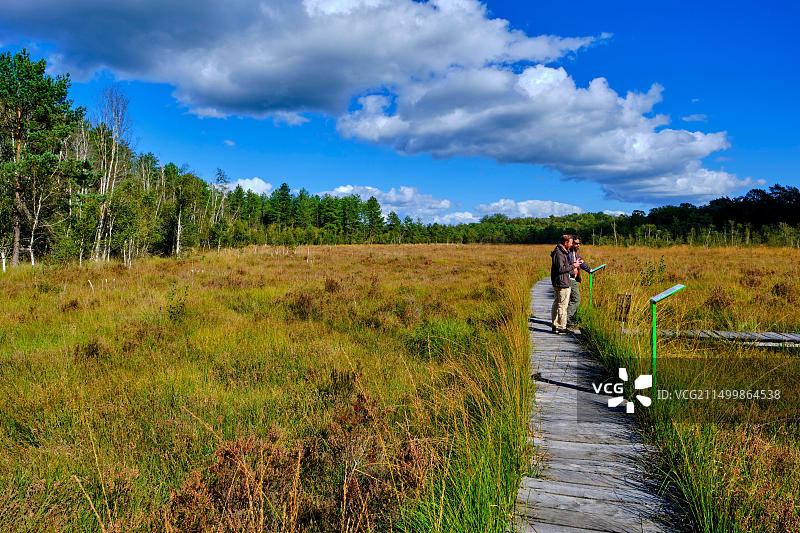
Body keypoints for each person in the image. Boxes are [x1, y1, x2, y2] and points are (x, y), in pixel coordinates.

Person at [551, 234, 581, 333]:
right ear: (566, 243)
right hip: (562, 282)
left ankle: (555, 325)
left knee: (557, 303)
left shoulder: (559, 252)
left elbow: (561, 267)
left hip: (559, 281)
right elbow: (561, 269)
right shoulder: (559, 253)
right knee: (562, 305)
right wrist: (574, 266)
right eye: (571, 242)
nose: (572, 244)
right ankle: (561, 327)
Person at [567, 236, 591, 327]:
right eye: (576, 243)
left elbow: (581, 263)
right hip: (569, 278)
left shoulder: (575, 253)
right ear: (571, 243)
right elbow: (564, 267)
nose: (578, 245)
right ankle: (567, 318)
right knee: (576, 299)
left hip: (572, 279)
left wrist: (589, 270)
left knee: (569, 300)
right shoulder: (568, 252)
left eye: (579, 243)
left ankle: (566, 318)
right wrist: (572, 270)